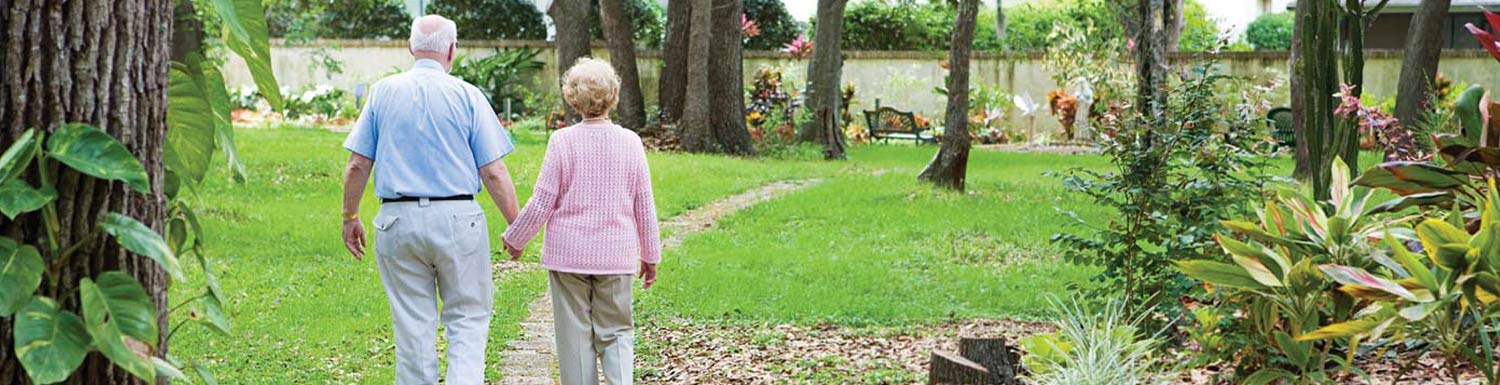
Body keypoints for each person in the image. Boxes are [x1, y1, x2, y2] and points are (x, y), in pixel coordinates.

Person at [339, 14, 522, 385]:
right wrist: (516, 226)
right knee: (468, 320)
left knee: (412, 326)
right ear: (452, 50)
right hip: (458, 219)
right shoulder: (467, 95)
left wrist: (350, 215)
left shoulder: (383, 92)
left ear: (410, 47)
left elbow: (358, 164)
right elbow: (493, 171)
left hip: (397, 221)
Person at [502, 58, 662, 385]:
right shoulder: (631, 142)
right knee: (617, 330)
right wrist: (651, 254)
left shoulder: (562, 142)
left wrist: (516, 238)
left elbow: (543, 200)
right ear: (614, 95)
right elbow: (643, 202)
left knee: (573, 335)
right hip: (615, 255)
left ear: (572, 99)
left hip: (568, 256)